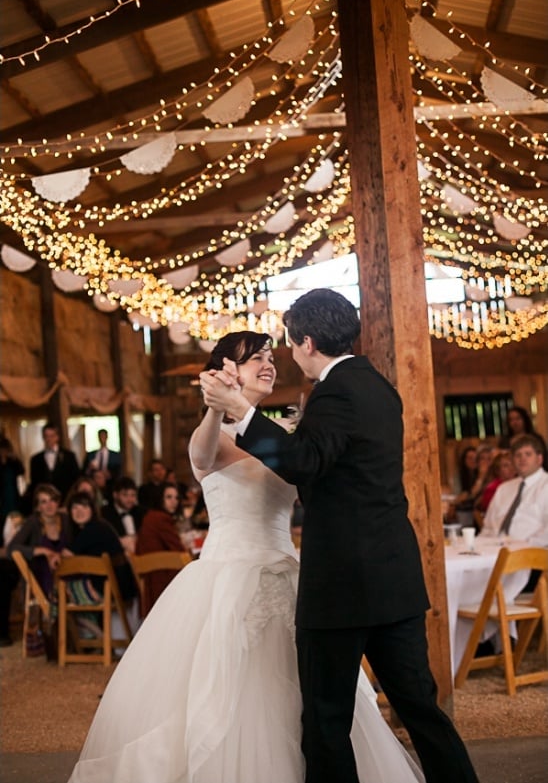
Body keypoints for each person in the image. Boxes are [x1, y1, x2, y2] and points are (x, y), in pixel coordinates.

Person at [66, 330, 425, 783]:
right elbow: (199, 453)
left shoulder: (283, 435)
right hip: (227, 581)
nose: (268, 363)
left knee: (312, 699)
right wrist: (219, 403)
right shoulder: (213, 436)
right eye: (255, 357)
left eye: (270, 355)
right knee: (226, 696)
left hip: (291, 578)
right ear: (227, 370)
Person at [200, 290, 479, 783]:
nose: (285, 356)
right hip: (394, 579)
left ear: (307, 341)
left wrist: (241, 412)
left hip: (341, 588)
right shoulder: (377, 387)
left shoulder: (335, 393)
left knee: (327, 721)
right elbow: (327, 466)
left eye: (286, 344)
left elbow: (303, 462)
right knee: (422, 712)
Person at [480, 434, 548, 546]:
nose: (522, 459)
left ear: (539, 459)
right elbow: (488, 527)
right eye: (518, 455)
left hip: (533, 552)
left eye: (528, 454)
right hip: (494, 549)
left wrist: (526, 545)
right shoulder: (504, 489)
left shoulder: (546, 485)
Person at [7, 484, 71, 601]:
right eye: (43, 502)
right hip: (39, 579)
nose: (49, 505)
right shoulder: (33, 522)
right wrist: (41, 551)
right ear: (38, 507)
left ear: (58, 503)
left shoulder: (66, 520)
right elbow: (11, 549)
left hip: (65, 573)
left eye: (52, 500)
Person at [136, 482, 187, 616]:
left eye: (176, 498)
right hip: (161, 577)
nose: (173, 502)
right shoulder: (161, 518)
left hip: (151, 577)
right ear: (160, 499)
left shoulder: (150, 516)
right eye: (169, 497)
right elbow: (180, 551)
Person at [28, 423, 81, 503]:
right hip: (44, 502)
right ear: (43, 437)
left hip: (65, 500)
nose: (49, 439)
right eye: (46, 436)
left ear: (57, 437)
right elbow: (35, 484)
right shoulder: (36, 459)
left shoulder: (69, 456)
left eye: (52, 436)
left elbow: (75, 479)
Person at [473, 450, 516, 530]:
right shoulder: (493, 488)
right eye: (506, 466)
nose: (511, 468)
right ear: (498, 470)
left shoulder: (519, 484)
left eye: (512, 464)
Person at [102, 476, 144, 556]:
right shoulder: (104, 513)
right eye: (125, 495)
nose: (130, 499)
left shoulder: (140, 512)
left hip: (140, 558)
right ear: (115, 495)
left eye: (133, 495)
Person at [499, 406, 548, 471]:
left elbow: (544, 458)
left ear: (525, 419)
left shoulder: (536, 438)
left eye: (518, 418)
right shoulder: (505, 440)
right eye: (511, 420)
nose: (515, 422)